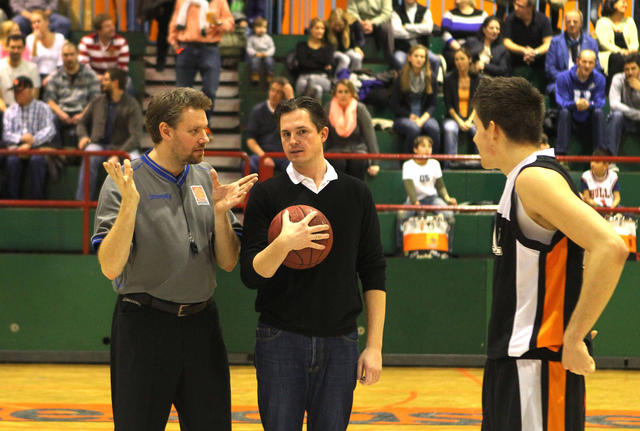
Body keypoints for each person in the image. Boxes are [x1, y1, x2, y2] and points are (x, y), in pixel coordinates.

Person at [92, 86, 258, 430]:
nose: (205, 138)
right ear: (165, 131)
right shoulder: (125, 182)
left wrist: (219, 214)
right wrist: (130, 206)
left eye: (205, 129)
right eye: (194, 130)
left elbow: (228, 262)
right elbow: (109, 266)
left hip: (202, 325)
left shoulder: (205, 176)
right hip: (144, 326)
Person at [470, 76, 627, 431]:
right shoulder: (522, 178)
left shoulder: (535, 179)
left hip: (536, 369)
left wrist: (573, 334)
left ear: (493, 130)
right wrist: (574, 309)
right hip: (515, 364)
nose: (475, 137)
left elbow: (610, 246)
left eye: (477, 127)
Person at [240, 96, 386, 431]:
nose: (293, 140)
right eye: (285, 134)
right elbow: (251, 275)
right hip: (279, 339)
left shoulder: (356, 193)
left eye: (302, 131)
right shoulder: (266, 194)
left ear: (323, 133)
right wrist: (284, 244)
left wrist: (374, 347)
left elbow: (373, 270)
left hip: (341, 342)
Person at [75, 68, 143, 201]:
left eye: (106, 80)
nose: (102, 82)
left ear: (115, 83)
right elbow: (81, 123)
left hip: (123, 147)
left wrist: (118, 154)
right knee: (89, 153)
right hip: (99, 145)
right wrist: (82, 136)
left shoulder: (132, 105)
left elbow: (135, 136)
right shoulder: (97, 101)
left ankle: (135, 203)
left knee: (135, 161)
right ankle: (82, 202)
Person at [168, 0, 234, 124]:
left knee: (210, 91)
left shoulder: (218, 1)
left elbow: (230, 24)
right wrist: (175, 45)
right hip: (186, 48)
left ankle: (203, 125)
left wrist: (218, 22)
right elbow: (174, 23)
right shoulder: (182, 1)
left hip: (210, 49)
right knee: (182, 93)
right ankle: (185, 125)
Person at [396, 135, 457, 257]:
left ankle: (448, 250)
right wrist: (416, 203)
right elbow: (409, 187)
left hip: (432, 199)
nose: (427, 149)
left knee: (450, 216)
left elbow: (440, 185)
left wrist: (447, 198)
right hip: (414, 200)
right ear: (415, 149)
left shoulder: (435, 164)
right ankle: (400, 249)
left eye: (429, 146)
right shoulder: (408, 165)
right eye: (423, 146)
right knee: (401, 216)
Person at [3, 76, 56, 199]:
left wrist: (32, 142)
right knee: (12, 161)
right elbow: (6, 134)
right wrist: (21, 139)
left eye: (20, 91)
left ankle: (36, 202)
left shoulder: (43, 107)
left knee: (37, 160)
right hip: (17, 149)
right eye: (15, 91)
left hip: (39, 148)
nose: (17, 94)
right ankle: (13, 202)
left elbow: (50, 130)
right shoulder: (10, 111)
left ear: (31, 90)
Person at [44, 41, 101, 148]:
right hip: (62, 112)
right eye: (66, 55)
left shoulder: (90, 75)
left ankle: (88, 149)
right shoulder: (55, 75)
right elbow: (49, 100)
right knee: (51, 119)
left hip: (83, 111)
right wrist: (60, 113)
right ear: (61, 57)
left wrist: (83, 114)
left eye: (71, 54)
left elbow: (95, 100)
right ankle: (56, 153)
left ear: (77, 55)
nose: (69, 58)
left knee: (95, 117)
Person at [325, 79, 380, 180]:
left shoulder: (360, 108)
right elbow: (323, 135)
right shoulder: (328, 108)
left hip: (357, 149)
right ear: (335, 94)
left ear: (352, 93)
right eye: (340, 92)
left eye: (346, 91)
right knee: (338, 162)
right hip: (335, 149)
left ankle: (357, 190)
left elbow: (370, 135)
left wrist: (375, 163)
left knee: (357, 161)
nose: (343, 95)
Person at [555, 49, 606, 155]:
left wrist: (589, 105)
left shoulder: (600, 79)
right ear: (577, 61)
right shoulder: (563, 78)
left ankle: (600, 156)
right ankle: (561, 155)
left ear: (595, 64)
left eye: (591, 63)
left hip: (589, 120)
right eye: (584, 62)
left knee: (599, 113)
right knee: (564, 112)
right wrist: (575, 104)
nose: (587, 66)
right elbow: (561, 102)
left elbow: (600, 102)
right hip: (571, 119)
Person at [391, 44, 440, 153]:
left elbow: (432, 104)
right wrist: (410, 116)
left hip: (424, 116)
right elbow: (394, 105)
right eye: (416, 56)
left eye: (422, 57)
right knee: (413, 128)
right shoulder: (401, 77)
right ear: (409, 58)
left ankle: (435, 160)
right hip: (404, 117)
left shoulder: (430, 77)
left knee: (434, 128)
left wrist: (422, 119)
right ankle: (408, 160)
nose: (419, 59)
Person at [545, 9, 600, 95]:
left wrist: (583, 79)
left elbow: (597, 67)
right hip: (563, 82)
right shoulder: (555, 42)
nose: (572, 24)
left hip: (585, 82)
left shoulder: (591, 42)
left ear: (581, 23)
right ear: (565, 23)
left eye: (575, 22)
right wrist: (567, 79)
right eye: (568, 22)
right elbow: (550, 69)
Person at [246, 76, 294, 173]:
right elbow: (250, 139)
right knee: (249, 164)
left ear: (283, 96)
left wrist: (291, 97)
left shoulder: (287, 112)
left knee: (295, 165)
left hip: (283, 155)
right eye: (272, 90)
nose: (274, 94)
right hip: (262, 153)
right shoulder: (258, 110)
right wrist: (263, 156)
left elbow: (298, 120)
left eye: (278, 92)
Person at [503, 0, 553, 88]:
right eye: (515, 4)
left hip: (538, 65)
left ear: (530, 8)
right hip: (516, 64)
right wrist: (523, 50)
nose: (515, 8)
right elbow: (507, 42)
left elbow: (548, 43)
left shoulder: (543, 19)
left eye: (520, 6)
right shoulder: (510, 19)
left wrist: (535, 52)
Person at [443, 47, 479, 160]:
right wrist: (459, 121)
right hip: (454, 118)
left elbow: (478, 103)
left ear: (469, 59)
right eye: (456, 59)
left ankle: (482, 165)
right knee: (450, 129)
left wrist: (469, 120)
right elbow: (449, 104)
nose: (459, 62)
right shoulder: (449, 79)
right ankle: (449, 165)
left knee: (479, 130)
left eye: (462, 59)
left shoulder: (477, 78)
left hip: (473, 118)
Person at [78, 14, 130, 82]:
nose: (112, 28)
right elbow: (83, 65)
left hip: (114, 78)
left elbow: (122, 68)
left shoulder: (121, 42)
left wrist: (108, 79)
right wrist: (95, 76)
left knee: (128, 81)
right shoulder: (86, 41)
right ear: (98, 30)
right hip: (93, 77)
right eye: (108, 26)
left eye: (112, 25)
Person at [595, 0, 639, 80]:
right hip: (610, 55)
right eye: (623, 2)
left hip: (629, 54)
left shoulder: (629, 21)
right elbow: (604, 43)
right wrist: (621, 51)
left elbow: (634, 41)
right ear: (614, 4)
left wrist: (632, 50)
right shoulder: (602, 22)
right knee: (617, 58)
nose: (626, 5)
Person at [391, 0, 438, 73]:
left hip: (422, 49)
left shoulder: (425, 10)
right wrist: (420, 30)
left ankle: (430, 80)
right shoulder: (396, 12)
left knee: (436, 60)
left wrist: (406, 26)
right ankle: (405, 80)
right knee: (399, 60)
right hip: (403, 50)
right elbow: (396, 32)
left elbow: (428, 29)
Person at [293, 17, 334, 100]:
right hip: (304, 76)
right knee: (316, 89)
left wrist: (310, 61)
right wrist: (322, 65)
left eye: (322, 28)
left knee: (312, 78)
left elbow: (328, 61)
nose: (320, 31)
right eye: (317, 28)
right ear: (311, 29)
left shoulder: (328, 47)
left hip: (323, 77)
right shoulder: (302, 46)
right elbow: (302, 63)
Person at [440, 0, 488, 70]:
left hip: (477, 49)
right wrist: (459, 49)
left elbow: (487, 32)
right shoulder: (450, 14)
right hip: (455, 49)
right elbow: (444, 33)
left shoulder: (482, 14)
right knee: (458, 58)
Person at [608, 53, 640, 155]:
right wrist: (637, 114)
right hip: (626, 119)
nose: (630, 73)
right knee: (616, 115)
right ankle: (611, 159)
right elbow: (614, 104)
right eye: (627, 69)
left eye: (633, 68)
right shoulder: (618, 78)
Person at [347, 0, 394, 67]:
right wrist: (361, 22)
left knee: (387, 28)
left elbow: (386, 13)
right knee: (350, 24)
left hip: (378, 22)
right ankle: (353, 57)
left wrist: (372, 22)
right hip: (360, 23)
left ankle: (390, 61)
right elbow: (351, 12)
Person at [0, 34, 40, 112]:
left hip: (26, 109)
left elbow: (35, 95)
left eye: (19, 47)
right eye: (13, 47)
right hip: (4, 109)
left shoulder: (32, 68)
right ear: (7, 47)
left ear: (24, 48)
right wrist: (7, 112)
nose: (16, 51)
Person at [25, 9, 64, 85]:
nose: (36, 25)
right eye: (33, 22)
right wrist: (35, 42)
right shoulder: (30, 39)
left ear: (47, 22)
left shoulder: (59, 37)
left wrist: (52, 76)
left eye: (38, 21)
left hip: (56, 74)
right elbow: (32, 63)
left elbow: (61, 62)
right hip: (37, 75)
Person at [326, 8, 365, 73]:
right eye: (335, 25)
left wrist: (357, 47)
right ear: (331, 23)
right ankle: (339, 78)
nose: (337, 28)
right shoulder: (327, 27)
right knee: (345, 59)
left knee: (357, 57)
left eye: (340, 25)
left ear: (345, 23)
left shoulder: (353, 24)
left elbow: (361, 39)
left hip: (348, 49)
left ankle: (354, 76)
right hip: (333, 51)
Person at [246, 16, 275, 84]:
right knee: (254, 61)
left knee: (269, 61)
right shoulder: (251, 38)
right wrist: (255, 53)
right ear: (254, 28)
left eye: (264, 27)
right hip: (256, 55)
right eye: (259, 27)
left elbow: (272, 48)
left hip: (266, 54)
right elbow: (249, 48)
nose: (261, 29)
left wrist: (267, 54)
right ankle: (255, 75)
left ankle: (270, 74)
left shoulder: (268, 38)